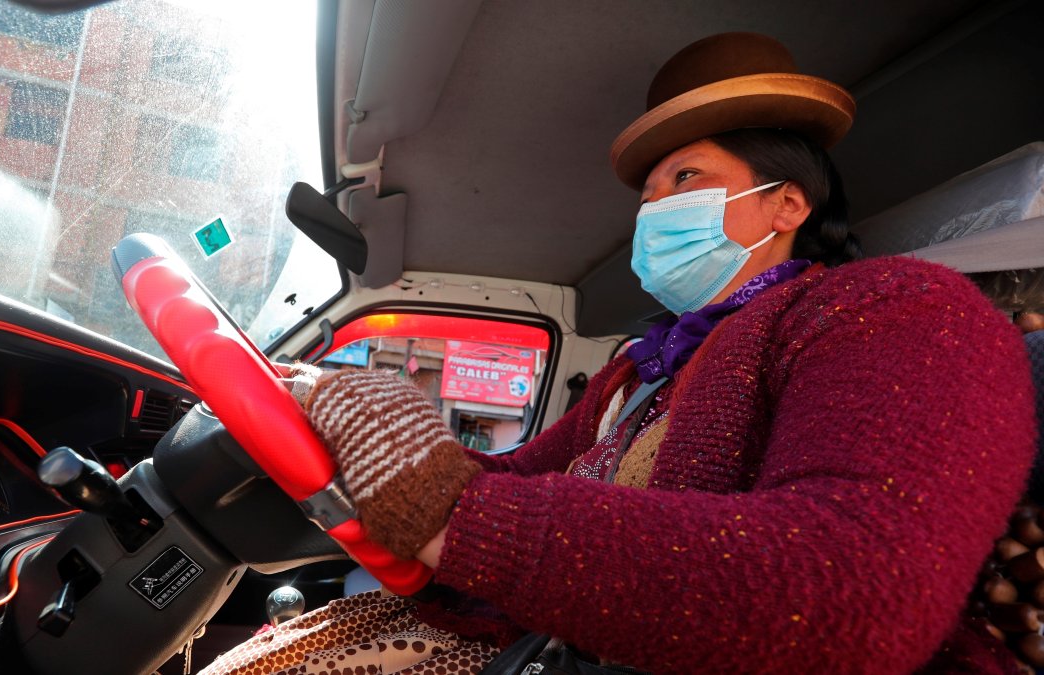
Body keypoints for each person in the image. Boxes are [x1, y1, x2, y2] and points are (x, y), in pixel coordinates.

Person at [207, 32, 1036, 674]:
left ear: (786, 203)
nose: (653, 214)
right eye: (646, 198)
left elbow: (858, 590)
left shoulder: (891, 309)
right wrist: (358, 420)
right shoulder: (641, 367)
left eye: (684, 179)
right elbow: (508, 483)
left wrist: (456, 519)